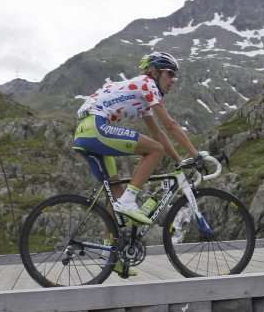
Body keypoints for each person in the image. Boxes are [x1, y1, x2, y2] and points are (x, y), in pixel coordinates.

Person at [73, 51, 204, 226]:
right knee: (155, 149)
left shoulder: (140, 92)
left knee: (115, 194)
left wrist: (178, 161)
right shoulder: (147, 84)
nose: (173, 80)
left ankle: (109, 251)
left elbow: (158, 133)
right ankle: (129, 200)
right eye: (170, 73)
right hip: (96, 127)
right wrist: (197, 155)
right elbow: (170, 125)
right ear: (154, 72)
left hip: (84, 132)